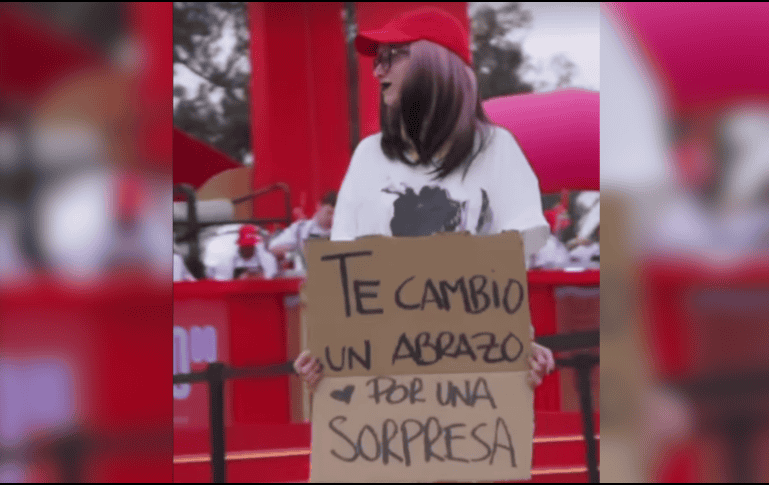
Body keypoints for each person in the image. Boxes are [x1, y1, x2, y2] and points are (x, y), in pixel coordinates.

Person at [295, 7, 555, 392]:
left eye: (390, 57)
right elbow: (344, 271)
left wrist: (520, 344)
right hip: (385, 378)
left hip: (474, 375)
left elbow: (508, 270)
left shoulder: (497, 149)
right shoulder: (369, 156)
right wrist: (325, 350)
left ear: (435, 63)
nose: (377, 71)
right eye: (376, 60)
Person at [268, 191, 336, 272]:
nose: (332, 217)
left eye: (336, 214)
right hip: (304, 278)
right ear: (319, 206)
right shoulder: (300, 229)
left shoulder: (345, 233)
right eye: (329, 212)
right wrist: (295, 252)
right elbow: (273, 248)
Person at [205, 224, 279, 280]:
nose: (248, 248)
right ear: (240, 245)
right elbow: (223, 281)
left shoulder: (267, 257)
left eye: (250, 246)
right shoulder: (226, 257)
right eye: (245, 245)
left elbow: (271, 277)